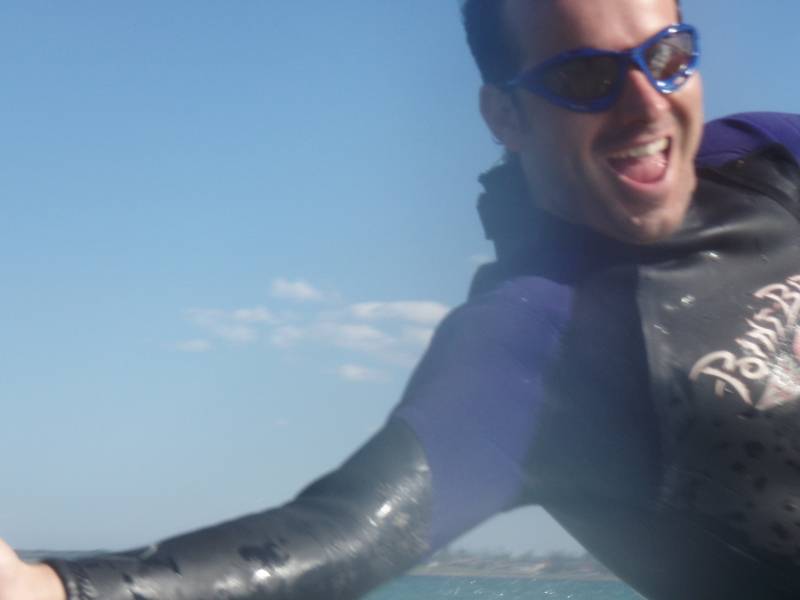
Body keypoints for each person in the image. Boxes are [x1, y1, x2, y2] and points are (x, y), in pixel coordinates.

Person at [3, 0, 800, 598]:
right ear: (506, 116)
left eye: (667, 57)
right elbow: (334, 539)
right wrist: (48, 589)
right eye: (586, 78)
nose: (648, 102)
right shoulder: (533, 348)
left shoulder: (770, 156)